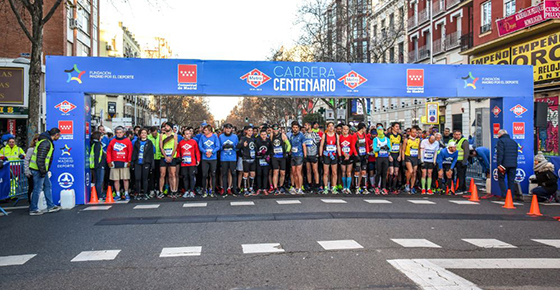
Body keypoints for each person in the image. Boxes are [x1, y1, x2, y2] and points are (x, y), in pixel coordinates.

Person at [28, 128, 62, 216]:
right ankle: (33, 208)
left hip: (41, 169)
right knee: (38, 189)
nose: (59, 137)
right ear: (56, 134)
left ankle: (50, 206)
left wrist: (44, 170)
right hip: (39, 169)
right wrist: (43, 171)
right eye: (59, 135)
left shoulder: (46, 141)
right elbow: (41, 158)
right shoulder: (46, 142)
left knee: (47, 186)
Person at [107, 126, 133, 200]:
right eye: (117, 133)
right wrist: (109, 161)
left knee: (125, 179)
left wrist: (129, 161)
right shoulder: (112, 141)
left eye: (120, 132)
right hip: (114, 163)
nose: (119, 134)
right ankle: (118, 194)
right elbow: (109, 152)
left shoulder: (127, 141)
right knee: (116, 179)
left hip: (124, 162)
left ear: (123, 133)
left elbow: (130, 151)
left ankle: (126, 193)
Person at [131, 128, 155, 200]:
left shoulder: (149, 142)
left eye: (145, 133)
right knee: (137, 178)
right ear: (139, 134)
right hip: (138, 162)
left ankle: (145, 193)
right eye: (142, 133)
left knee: (145, 178)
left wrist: (152, 164)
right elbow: (134, 153)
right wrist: (132, 162)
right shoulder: (136, 142)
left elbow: (152, 154)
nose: (143, 134)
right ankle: (138, 193)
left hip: (146, 162)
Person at [496, 129, 519, 200]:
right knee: (511, 181)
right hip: (513, 164)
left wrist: (499, 164)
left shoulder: (501, 141)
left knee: (501, 178)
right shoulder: (514, 142)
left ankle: (504, 195)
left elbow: (500, 154)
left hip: (504, 164)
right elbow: (516, 154)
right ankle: (510, 196)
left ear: (500, 135)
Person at [198, 124, 221, 197]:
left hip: (213, 158)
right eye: (204, 130)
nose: (204, 131)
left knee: (213, 175)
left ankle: (212, 190)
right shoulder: (202, 137)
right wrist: (205, 152)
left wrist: (212, 152)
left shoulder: (214, 136)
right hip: (205, 158)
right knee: (205, 175)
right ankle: (205, 190)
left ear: (209, 131)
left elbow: (218, 146)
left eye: (205, 130)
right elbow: (200, 146)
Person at [319, 122, 341, 194]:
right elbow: (321, 145)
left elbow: (338, 146)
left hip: (334, 155)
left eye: (332, 126)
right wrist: (320, 155)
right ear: (327, 128)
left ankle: (333, 187)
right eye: (329, 126)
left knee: (334, 172)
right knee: (326, 172)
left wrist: (340, 156)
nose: (331, 128)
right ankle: (325, 187)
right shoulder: (324, 135)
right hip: (326, 155)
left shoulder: (336, 135)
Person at [178, 129, 200, 198]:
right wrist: (179, 157)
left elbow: (197, 151)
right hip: (184, 163)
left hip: (192, 163)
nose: (188, 135)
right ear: (183, 135)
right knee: (185, 177)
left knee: (192, 176)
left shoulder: (194, 142)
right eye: (187, 134)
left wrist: (198, 160)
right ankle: (186, 191)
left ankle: (192, 191)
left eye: (189, 134)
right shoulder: (181, 143)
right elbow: (178, 151)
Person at [159, 122, 179, 198]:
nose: (166, 127)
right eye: (165, 126)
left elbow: (175, 147)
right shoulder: (162, 135)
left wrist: (170, 157)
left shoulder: (174, 135)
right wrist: (165, 156)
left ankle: (173, 191)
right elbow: (161, 147)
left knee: (172, 174)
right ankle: (161, 191)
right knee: (162, 174)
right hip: (163, 157)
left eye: (167, 126)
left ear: (171, 127)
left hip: (172, 157)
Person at [219, 123, 239, 195]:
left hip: (232, 158)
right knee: (224, 174)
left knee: (233, 173)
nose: (228, 130)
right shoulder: (221, 136)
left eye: (229, 128)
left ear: (231, 129)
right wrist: (223, 147)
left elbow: (237, 147)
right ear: (224, 129)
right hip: (224, 158)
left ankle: (233, 189)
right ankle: (224, 189)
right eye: (226, 128)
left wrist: (232, 146)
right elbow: (218, 147)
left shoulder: (235, 136)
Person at [270, 124, 290, 195]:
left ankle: (281, 186)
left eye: (277, 128)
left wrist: (287, 152)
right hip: (275, 156)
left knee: (283, 173)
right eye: (274, 128)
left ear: (279, 129)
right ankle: (275, 187)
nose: (275, 130)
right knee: (275, 172)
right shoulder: (271, 135)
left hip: (282, 157)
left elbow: (288, 144)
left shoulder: (282, 135)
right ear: (272, 129)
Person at [238, 126, 257, 196]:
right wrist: (242, 144)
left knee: (252, 174)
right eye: (249, 131)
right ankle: (245, 189)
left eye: (251, 131)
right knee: (245, 174)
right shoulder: (243, 138)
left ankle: (251, 188)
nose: (251, 132)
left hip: (253, 158)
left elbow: (255, 147)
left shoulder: (253, 139)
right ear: (246, 131)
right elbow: (237, 147)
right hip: (246, 158)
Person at [373, 126, 391, 195]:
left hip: (385, 157)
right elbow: (375, 149)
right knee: (378, 172)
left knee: (384, 173)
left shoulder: (387, 139)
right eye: (379, 130)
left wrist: (387, 147)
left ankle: (383, 187)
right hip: (379, 157)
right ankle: (377, 187)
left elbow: (390, 149)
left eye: (381, 130)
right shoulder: (376, 139)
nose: (380, 131)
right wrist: (380, 147)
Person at [289, 121, 306, 195]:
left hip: (299, 155)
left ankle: (300, 188)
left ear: (298, 128)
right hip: (293, 155)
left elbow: (304, 145)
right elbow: (290, 145)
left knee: (299, 172)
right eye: (294, 127)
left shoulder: (301, 135)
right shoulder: (291, 136)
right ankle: (296, 187)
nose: (295, 129)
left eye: (296, 127)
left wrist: (305, 155)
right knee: (294, 172)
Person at [303, 122, 321, 193]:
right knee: (308, 170)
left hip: (314, 154)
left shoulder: (315, 134)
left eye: (306, 125)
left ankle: (317, 185)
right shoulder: (304, 135)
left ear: (310, 126)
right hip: (307, 155)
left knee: (315, 170)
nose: (305, 127)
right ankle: (310, 185)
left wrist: (318, 154)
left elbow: (318, 143)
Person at [339, 124, 356, 194]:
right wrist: (344, 154)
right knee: (343, 172)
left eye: (347, 129)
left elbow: (353, 147)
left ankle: (348, 188)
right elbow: (339, 146)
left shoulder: (351, 137)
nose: (345, 131)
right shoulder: (340, 137)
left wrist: (348, 155)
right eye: (344, 129)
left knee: (348, 172)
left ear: (349, 130)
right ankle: (344, 187)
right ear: (342, 130)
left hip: (350, 155)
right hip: (343, 155)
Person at [403, 127, 420, 194]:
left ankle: (412, 187)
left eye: (415, 132)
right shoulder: (406, 140)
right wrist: (403, 159)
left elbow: (418, 149)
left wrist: (419, 158)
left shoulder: (418, 140)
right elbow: (403, 149)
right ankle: (407, 183)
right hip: (408, 157)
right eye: (413, 132)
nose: (414, 134)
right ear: (410, 132)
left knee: (414, 173)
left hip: (415, 157)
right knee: (410, 171)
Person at [452, 130, 470, 194]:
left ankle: (461, 188)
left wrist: (464, 161)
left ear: (461, 134)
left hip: (462, 161)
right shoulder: (456, 141)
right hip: (457, 160)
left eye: (459, 134)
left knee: (461, 176)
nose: (457, 136)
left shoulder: (464, 141)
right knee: (460, 175)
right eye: (456, 134)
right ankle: (463, 188)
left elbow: (466, 152)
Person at [354, 123, 370, 194]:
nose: (365, 130)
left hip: (363, 155)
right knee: (357, 171)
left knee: (364, 171)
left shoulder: (364, 135)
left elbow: (366, 144)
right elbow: (353, 145)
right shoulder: (355, 135)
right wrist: (356, 154)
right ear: (362, 128)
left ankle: (364, 187)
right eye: (365, 128)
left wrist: (367, 153)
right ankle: (356, 187)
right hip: (358, 155)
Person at [90, 132, 106, 201]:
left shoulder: (93, 144)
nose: (102, 137)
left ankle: (98, 194)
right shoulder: (97, 145)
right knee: (99, 181)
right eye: (101, 136)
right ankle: (99, 195)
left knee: (97, 181)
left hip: (96, 165)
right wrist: (99, 165)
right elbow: (97, 156)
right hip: (99, 166)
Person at [255, 128, 272, 195]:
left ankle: (265, 188)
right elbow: (255, 149)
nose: (263, 136)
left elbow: (271, 149)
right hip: (259, 159)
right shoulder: (257, 140)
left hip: (266, 160)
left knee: (265, 174)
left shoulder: (268, 140)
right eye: (262, 134)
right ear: (260, 135)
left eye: (264, 134)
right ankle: (259, 188)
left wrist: (268, 155)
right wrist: (258, 153)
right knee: (259, 174)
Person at [24, 134, 40, 202]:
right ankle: (31, 202)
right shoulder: (31, 149)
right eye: (38, 139)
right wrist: (27, 171)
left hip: (39, 171)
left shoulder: (41, 149)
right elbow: (26, 160)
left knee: (37, 188)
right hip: (31, 171)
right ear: (35, 140)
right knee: (31, 187)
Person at [388, 122, 402, 194]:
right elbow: (387, 146)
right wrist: (389, 155)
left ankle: (394, 187)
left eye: (398, 126)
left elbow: (400, 146)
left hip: (397, 155)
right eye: (396, 126)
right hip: (391, 155)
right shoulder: (389, 135)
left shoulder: (400, 135)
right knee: (391, 171)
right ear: (392, 127)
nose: (397, 128)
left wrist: (400, 155)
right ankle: (389, 187)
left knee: (396, 172)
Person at [147, 127, 162, 198]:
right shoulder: (148, 137)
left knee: (159, 175)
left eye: (155, 132)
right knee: (151, 175)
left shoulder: (160, 136)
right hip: (151, 158)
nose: (154, 133)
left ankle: (158, 189)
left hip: (159, 158)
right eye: (153, 132)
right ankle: (152, 190)